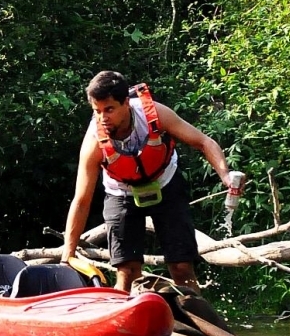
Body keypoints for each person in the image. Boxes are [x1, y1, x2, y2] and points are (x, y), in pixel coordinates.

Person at [60, 70, 242, 295]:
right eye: (97, 111)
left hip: (165, 183)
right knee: (127, 272)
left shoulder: (154, 114)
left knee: (182, 266)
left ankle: (200, 322)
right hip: (121, 193)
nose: (103, 118)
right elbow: (82, 200)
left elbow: (204, 142)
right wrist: (68, 253)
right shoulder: (94, 142)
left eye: (109, 110)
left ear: (126, 102)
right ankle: (128, 324)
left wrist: (225, 175)